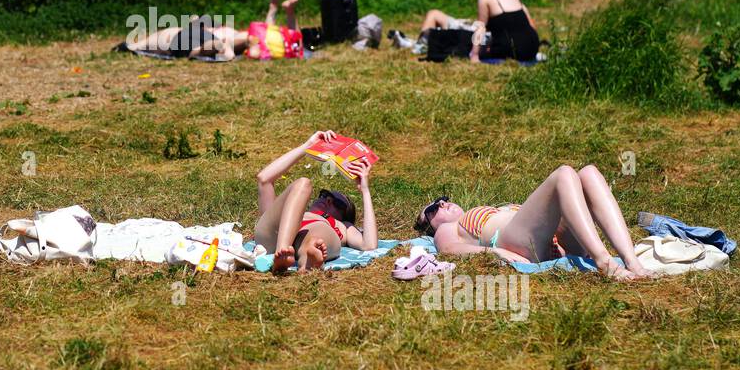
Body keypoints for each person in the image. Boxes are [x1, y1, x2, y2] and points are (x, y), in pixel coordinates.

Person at [414, 164, 652, 281]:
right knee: (564, 174)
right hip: (516, 243)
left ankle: (632, 261)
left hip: (554, 242)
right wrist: (494, 252)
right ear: (431, 226)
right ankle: (604, 262)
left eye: (442, 200)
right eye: (433, 209)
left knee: (588, 172)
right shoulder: (446, 230)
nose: (442, 204)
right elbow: (448, 249)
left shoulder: (489, 208)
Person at [254, 130, 377, 273]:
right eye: (325, 195)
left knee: (314, 240)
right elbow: (264, 179)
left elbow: (369, 245)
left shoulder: (343, 226)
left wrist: (365, 190)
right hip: (273, 235)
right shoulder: (289, 211)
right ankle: (283, 252)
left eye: (338, 203)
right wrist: (308, 146)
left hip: (312, 236)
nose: (328, 199)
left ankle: (307, 261)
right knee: (303, 183)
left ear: (344, 216)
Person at [396, 0, 540, 61]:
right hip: (532, 48)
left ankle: (420, 44)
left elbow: (480, 28)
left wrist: (475, 55)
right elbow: (531, 27)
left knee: (460, 40)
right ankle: (418, 43)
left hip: (511, 49)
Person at [117, 0, 300, 61]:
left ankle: (129, 46)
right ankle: (130, 46)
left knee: (166, 40)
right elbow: (267, 32)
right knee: (167, 40)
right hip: (200, 39)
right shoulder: (248, 37)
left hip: (198, 40)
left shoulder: (245, 37)